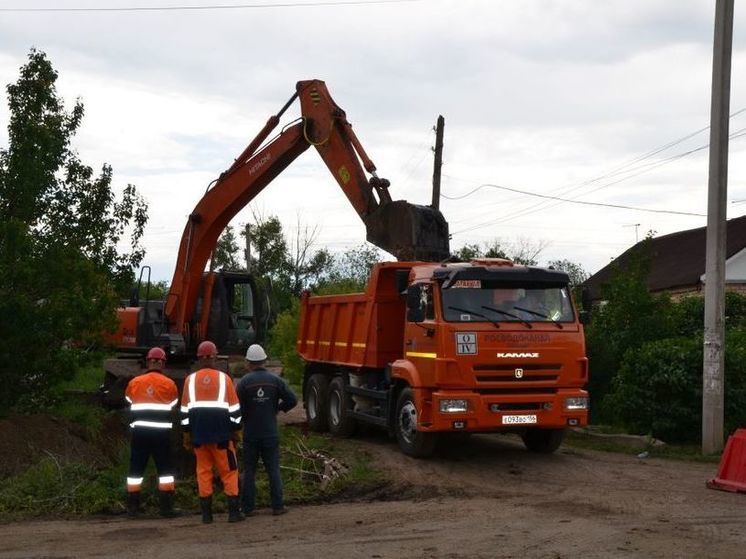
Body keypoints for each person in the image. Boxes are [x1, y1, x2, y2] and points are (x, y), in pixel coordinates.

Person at [180, 340, 243, 523]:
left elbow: (184, 412)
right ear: (215, 357)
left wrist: (187, 434)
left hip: (199, 436)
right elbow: (234, 410)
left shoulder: (190, 380)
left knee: (203, 473)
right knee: (229, 472)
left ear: (199, 359)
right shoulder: (224, 379)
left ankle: (207, 516)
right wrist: (237, 430)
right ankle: (233, 513)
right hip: (223, 436)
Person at [236, 344, 298, 516]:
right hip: (270, 433)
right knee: (273, 470)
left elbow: (237, 409)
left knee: (249, 471)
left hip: (251, 434)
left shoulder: (243, 384)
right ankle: (278, 506)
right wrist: (278, 408)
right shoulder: (276, 381)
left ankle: (248, 508)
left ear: (248, 363)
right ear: (264, 361)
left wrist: (243, 418)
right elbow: (293, 399)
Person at [124, 346, 179, 518]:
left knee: (136, 469)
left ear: (148, 362)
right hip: (161, 434)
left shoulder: (135, 382)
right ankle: (166, 508)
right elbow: (173, 403)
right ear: (163, 363)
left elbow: (128, 399)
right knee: (165, 470)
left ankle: (133, 508)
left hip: (139, 432)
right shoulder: (169, 384)